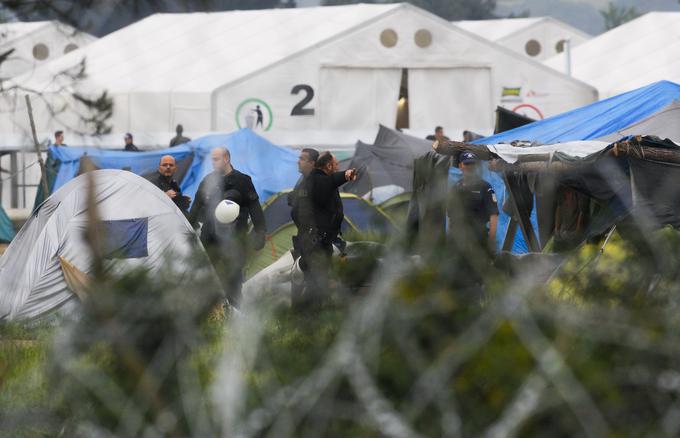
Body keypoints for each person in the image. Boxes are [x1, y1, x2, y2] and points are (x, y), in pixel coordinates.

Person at [188, 147, 266, 306]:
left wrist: (260, 232)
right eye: (212, 159)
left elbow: (255, 208)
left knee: (234, 282)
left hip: (234, 239)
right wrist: (187, 231)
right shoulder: (208, 181)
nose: (213, 162)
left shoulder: (243, 181)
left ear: (227, 159)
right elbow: (195, 208)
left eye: (216, 159)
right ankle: (212, 314)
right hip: (210, 238)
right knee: (209, 278)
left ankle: (235, 315)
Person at [300, 152, 356, 300]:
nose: (337, 167)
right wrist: (345, 175)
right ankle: (308, 317)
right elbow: (330, 181)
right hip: (315, 244)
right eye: (336, 164)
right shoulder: (317, 180)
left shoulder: (319, 180)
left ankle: (311, 315)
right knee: (317, 286)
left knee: (321, 283)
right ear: (329, 165)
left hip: (323, 241)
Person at [448, 151, 499, 254]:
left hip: (478, 241)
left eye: (472, 164)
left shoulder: (485, 187)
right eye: (467, 164)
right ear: (460, 166)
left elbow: (494, 215)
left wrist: (491, 240)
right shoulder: (455, 188)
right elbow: (450, 215)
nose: (470, 167)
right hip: (457, 241)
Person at [288, 148, 319, 303]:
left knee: (313, 279)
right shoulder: (301, 181)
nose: (298, 161)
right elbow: (293, 204)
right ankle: (298, 310)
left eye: (302, 158)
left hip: (314, 239)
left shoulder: (318, 182)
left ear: (312, 163)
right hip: (303, 237)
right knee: (298, 276)